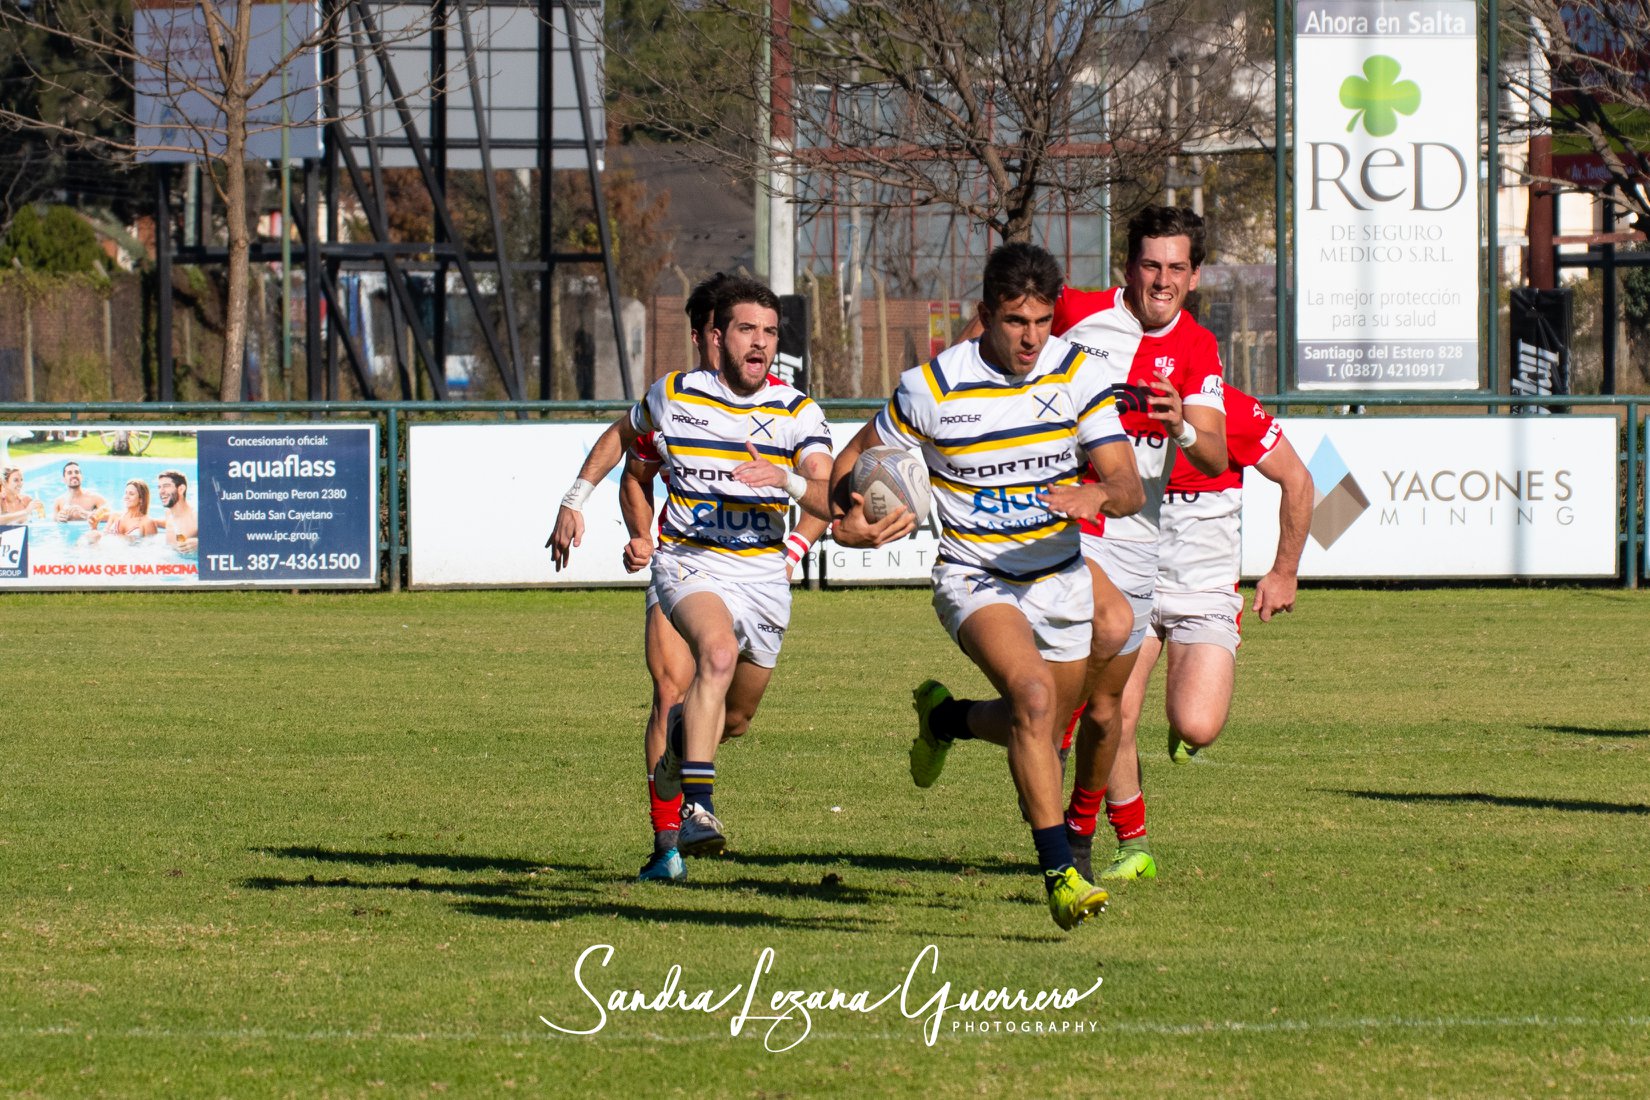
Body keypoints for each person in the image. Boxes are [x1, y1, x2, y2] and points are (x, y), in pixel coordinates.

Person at [831, 242, 1144, 931]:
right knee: (1034, 699)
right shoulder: (931, 388)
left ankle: (946, 719)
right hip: (975, 577)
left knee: (1044, 722)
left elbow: (1128, 482)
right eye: (1013, 321)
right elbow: (851, 464)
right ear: (985, 315)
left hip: (1059, 576)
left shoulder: (1079, 375)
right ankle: (1060, 871)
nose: (1029, 337)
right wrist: (844, 522)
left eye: (1040, 320)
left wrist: (1100, 494)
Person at [944, 206, 1230, 884]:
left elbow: (1216, 455)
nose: (1161, 281)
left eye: (1175, 269)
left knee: (1106, 710)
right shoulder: (1074, 308)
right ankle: (1066, 845)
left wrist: (1183, 426)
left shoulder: (1197, 348)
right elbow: (990, 329)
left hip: (1136, 537)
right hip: (1056, 527)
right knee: (1054, 697)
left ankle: (960, 727)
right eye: (1150, 265)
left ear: (1193, 276)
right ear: (1128, 267)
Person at [559, 278, 836, 873]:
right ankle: (684, 824)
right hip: (688, 563)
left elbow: (827, 492)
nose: (758, 344)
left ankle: (676, 761)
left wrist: (786, 489)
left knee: (733, 719)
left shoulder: (797, 411)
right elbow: (628, 453)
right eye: (745, 331)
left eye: (769, 332)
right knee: (694, 669)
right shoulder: (674, 397)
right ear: (714, 337)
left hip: (761, 575)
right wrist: (580, 500)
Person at [1095, 385, 1313, 879]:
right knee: (1112, 715)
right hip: (1130, 591)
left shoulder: (1232, 410)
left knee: (1197, 724)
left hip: (1206, 597)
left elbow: (1298, 480)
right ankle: (1133, 846)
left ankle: (1184, 725)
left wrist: (1284, 571)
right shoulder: (1110, 404)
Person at [155, 469, 199, 552]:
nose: (161, 491)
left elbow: (225, 539)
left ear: (181, 489)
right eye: (159, 487)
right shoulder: (168, 513)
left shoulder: (197, 517)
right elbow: (174, 523)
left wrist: (201, 544)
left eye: (166, 486)